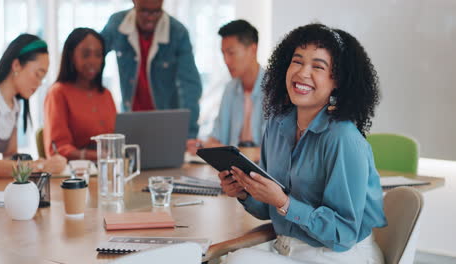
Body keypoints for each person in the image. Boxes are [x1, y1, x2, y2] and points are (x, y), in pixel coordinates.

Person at [219, 23, 387, 263]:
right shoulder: (276, 127)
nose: (302, 73)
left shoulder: (344, 139)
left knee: (237, 260)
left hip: (339, 255)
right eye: (297, 61)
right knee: (228, 258)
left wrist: (284, 202)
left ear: (337, 80)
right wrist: (245, 191)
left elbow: (343, 234)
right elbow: (268, 210)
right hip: (289, 248)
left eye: (317, 66)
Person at [101, 0, 202, 141]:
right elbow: (96, 55)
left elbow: (190, 86)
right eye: (143, 11)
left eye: (156, 11)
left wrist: (189, 135)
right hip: (131, 121)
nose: (150, 17)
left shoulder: (177, 32)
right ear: (134, 3)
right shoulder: (117, 23)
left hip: (165, 124)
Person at [0, 34, 66, 177]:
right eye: (38, 74)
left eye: (42, 78)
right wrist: (39, 166)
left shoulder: (15, 105)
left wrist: (40, 163)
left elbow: (9, 156)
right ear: (16, 65)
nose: (38, 84)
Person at [187, 20, 266, 158]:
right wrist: (203, 146)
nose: (226, 61)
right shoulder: (230, 89)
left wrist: (222, 149)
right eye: (223, 54)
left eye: (231, 53)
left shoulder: (275, 89)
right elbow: (216, 138)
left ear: (253, 49)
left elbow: (271, 153)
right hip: (233, 169)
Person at [43, 28, 117, 161]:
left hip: (108, 168)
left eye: (98, 55)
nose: (93, 61)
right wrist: (95, 156)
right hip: (76, 174)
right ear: (71, 56)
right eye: (86, 54)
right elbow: (57, 149)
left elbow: (115, 138)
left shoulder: (106, 94)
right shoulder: (58, 93)